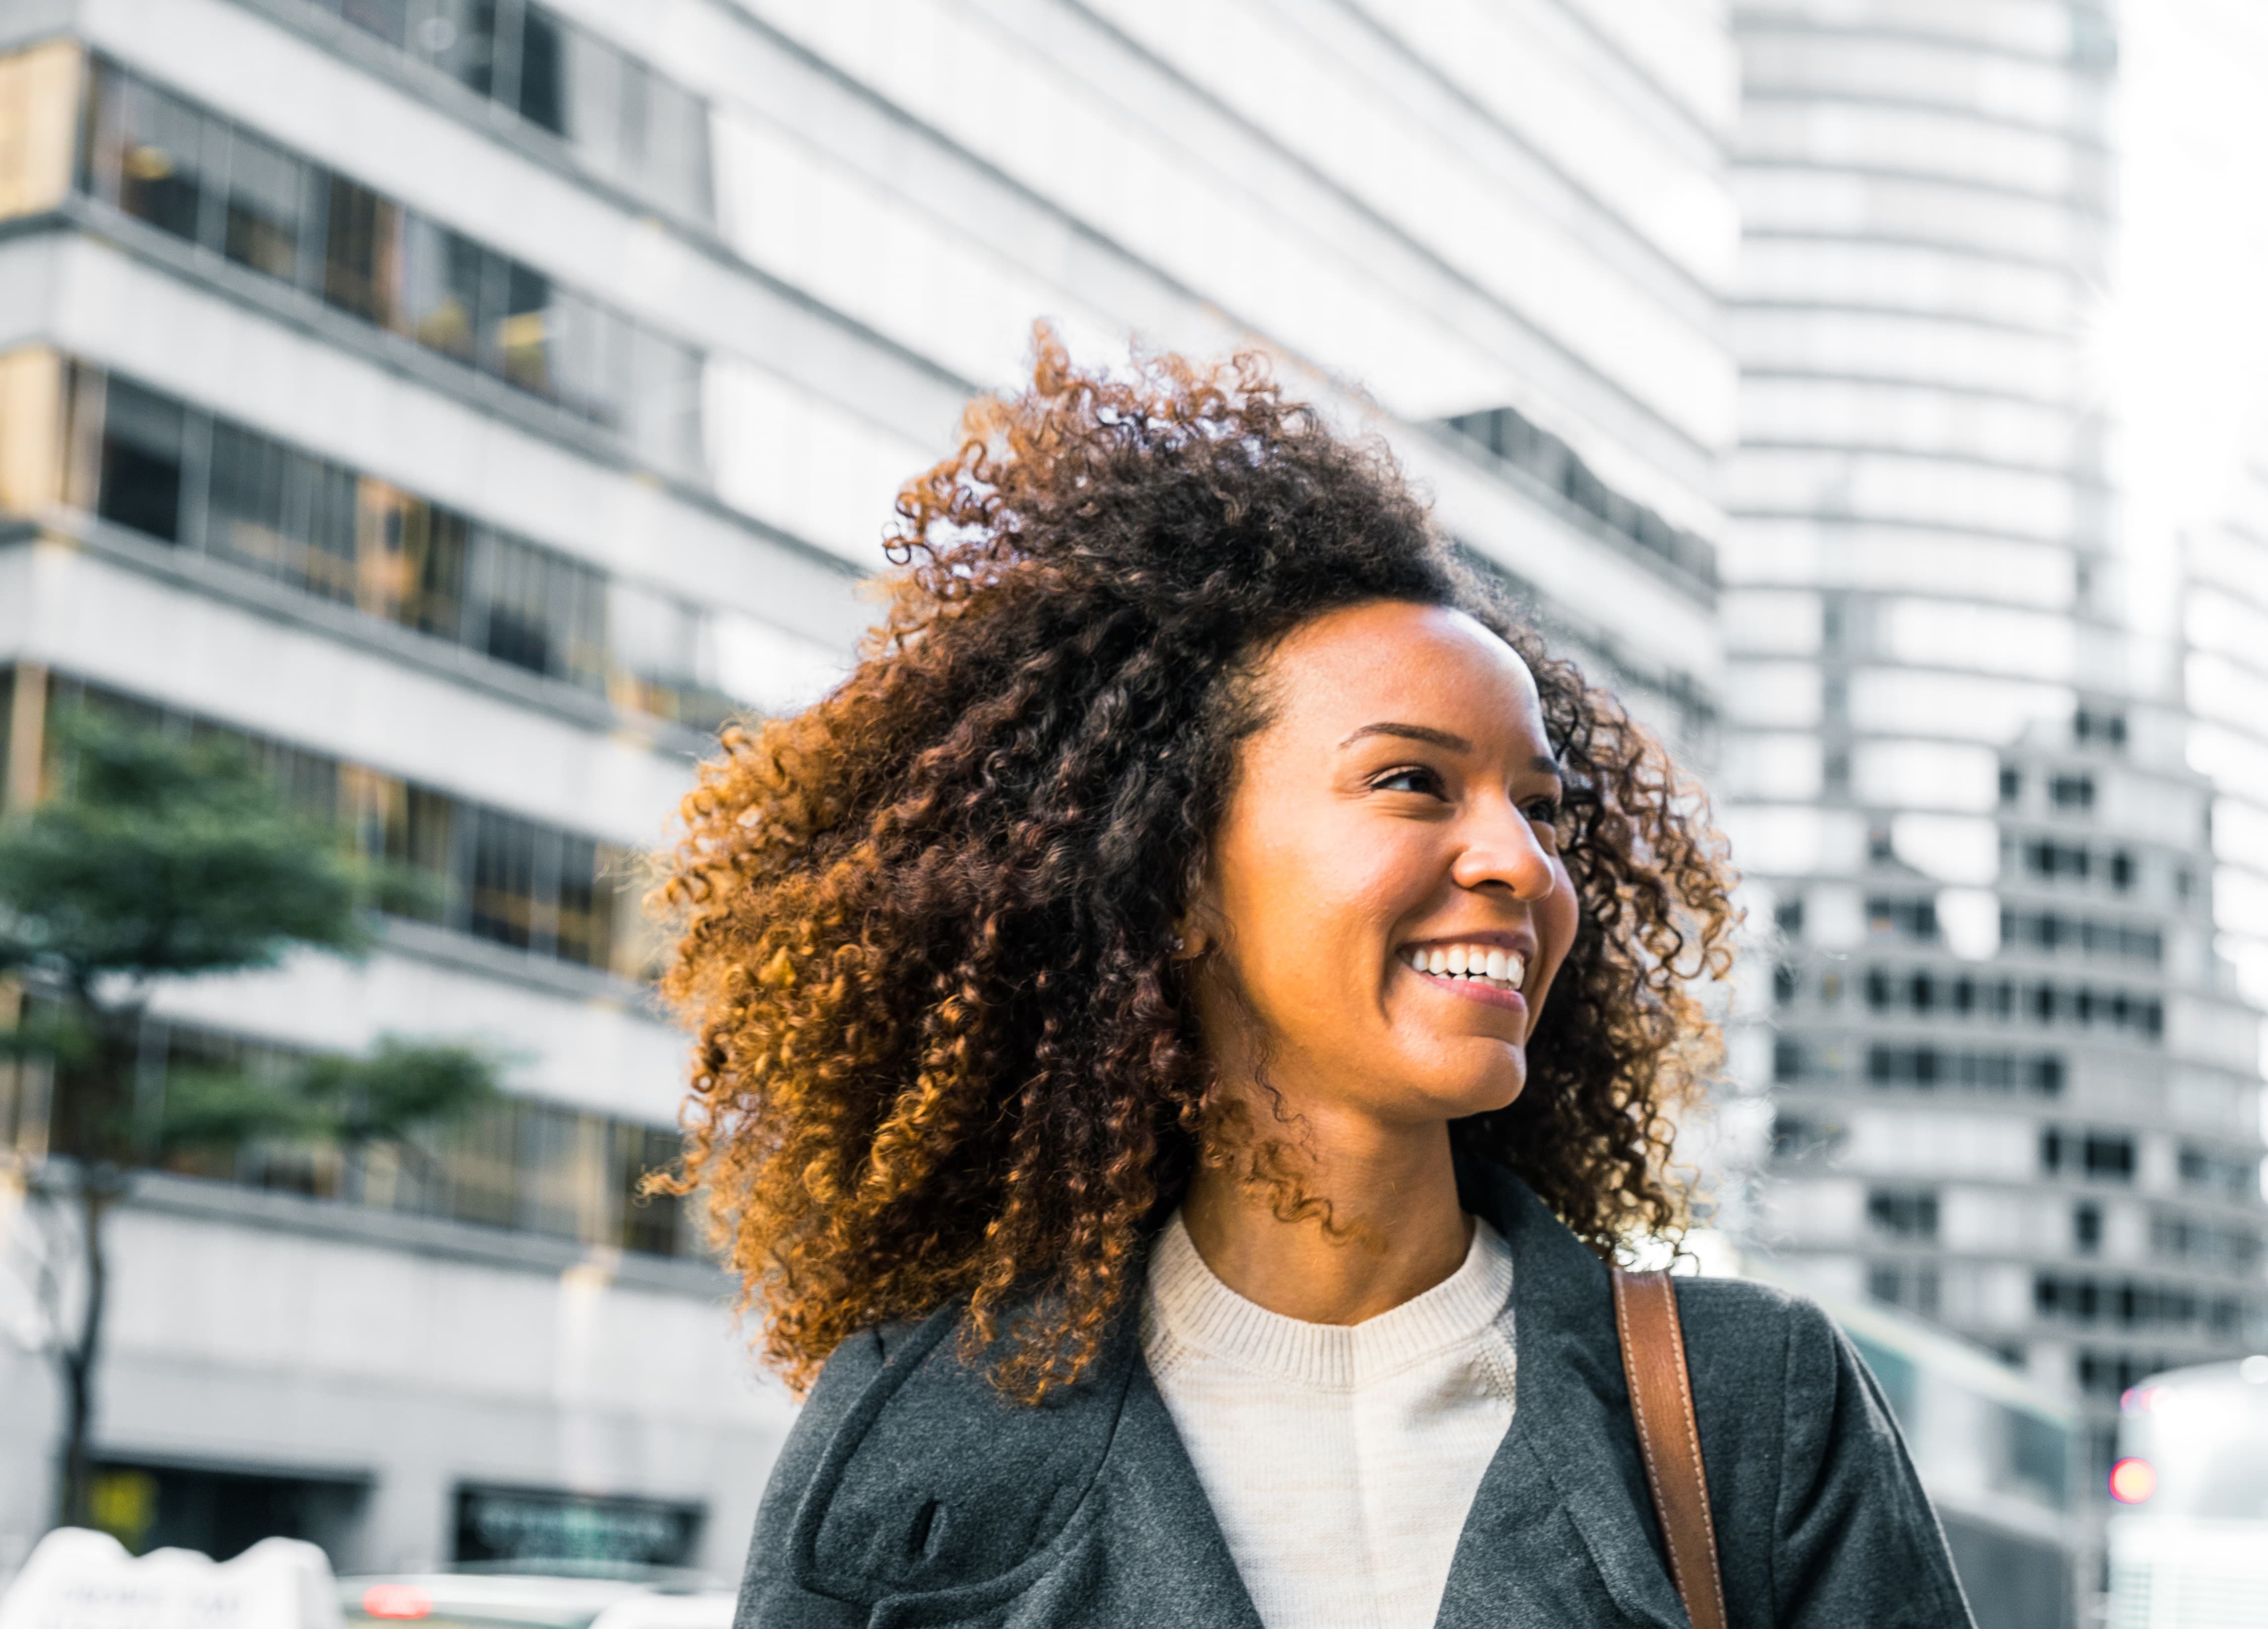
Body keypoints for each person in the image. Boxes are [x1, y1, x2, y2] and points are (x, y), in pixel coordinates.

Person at [660, 339, 1975, 1628]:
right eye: (1412, 781)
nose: (1521, 863)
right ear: (1174, 872)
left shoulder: (1750, 1408)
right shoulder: (920, 1440)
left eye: (1541, 809)